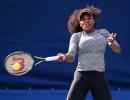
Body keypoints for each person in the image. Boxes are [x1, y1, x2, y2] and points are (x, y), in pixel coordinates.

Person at [57, 5, 121, 100]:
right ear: (80, 23)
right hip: (81, 76)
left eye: (89, 18)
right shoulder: (76, 36)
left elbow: (118, 50)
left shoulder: (103, 32)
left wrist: (111, 43)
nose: (86, 21)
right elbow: (71, 55)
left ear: (93, 20)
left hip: (99, 76)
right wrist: (65, 57)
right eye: (83, 19)